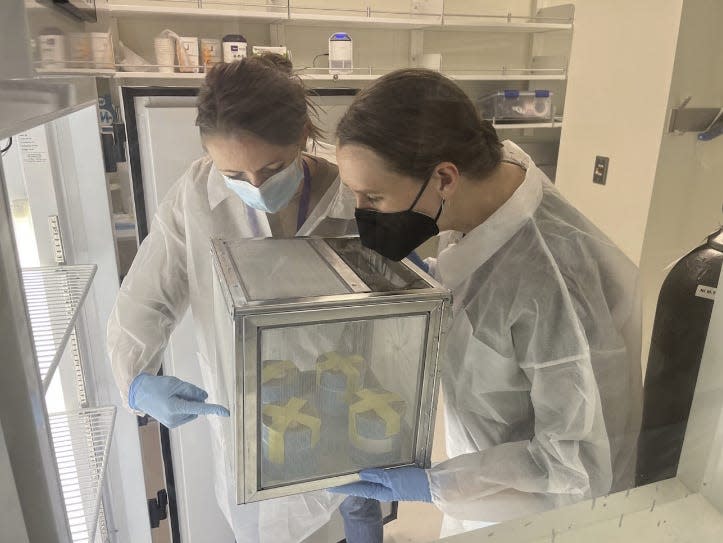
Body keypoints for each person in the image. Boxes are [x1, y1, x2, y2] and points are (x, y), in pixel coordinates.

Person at [331, 69, 643, 538]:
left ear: (444, 177)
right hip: (484, 485)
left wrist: (437, 486)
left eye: (373, 196)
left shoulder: (549, 281)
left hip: (540, 516)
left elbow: (575, 465)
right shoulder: (491, 179)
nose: (362, 211)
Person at [107, 55, 377, 543]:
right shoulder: (195, 195)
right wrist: (135, 381)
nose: (255, 186)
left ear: (302, 137)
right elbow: (146, 296)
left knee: (357, 509)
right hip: (249, 415)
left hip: (344, 401)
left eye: (273, 168)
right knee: (261, 524)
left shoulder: (352, 197)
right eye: (233, 173)